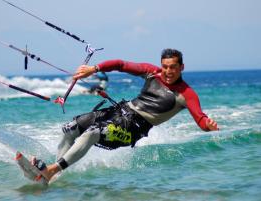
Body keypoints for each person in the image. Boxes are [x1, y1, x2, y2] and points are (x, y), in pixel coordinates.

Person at [32, 48, 219, 181]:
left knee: (92, 133)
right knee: (70, 129)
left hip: (134, 129)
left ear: (181, 67)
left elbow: (200, 119)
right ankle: (54, 175)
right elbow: (120, 64)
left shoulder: (186, 94)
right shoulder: (152, 72)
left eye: (173, 67)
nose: (168, 71)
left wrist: (207, 126)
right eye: (165, 66)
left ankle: (52, 169)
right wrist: (94, 69)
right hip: (119, 112)